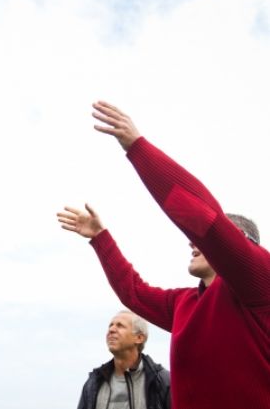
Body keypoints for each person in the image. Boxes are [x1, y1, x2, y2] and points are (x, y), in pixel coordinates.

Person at [57, 101, 270, 409]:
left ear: (242, 244)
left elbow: (205, 220)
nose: (191, 244)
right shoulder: (184, 304)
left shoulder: (259, 282)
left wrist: (138, 149)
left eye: (203, 243)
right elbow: (133, 293)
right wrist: (101, 239)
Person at [77, 310, 170, 409]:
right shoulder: (94, 382)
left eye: (120, 325)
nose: (111, 329)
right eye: (110, 325)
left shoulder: (161, 381)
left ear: (139, 338)